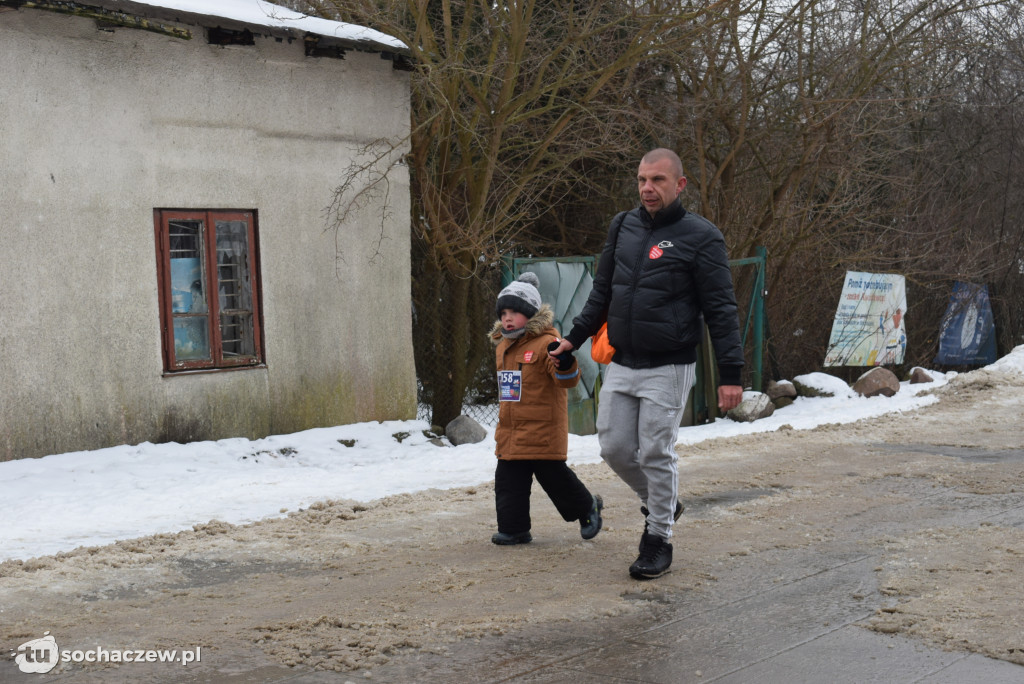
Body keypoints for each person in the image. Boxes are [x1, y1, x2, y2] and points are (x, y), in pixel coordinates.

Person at [548, 148, 744, 579]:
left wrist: (731, 374)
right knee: (614, 447)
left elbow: (721, 309)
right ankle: (665, 503)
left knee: (656, 451)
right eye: (641, 180)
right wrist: (573, 338)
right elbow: (602, 292)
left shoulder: (702, 236)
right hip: (623, 359)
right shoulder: (624, 225)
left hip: (669, 365)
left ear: (680, 184)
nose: (647, 188)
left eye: (657, 180)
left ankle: (658, 539)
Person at [489, 272, 603, 546]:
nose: (507, 317)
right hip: (512, 430)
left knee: (553, 477)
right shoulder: (503, 346)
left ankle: (587, 508)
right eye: (504, 312)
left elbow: (567, 380)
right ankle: (514, 528)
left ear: (530, 314)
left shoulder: (547, 343)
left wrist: (564, 363)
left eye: (515, 312)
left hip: (542, 428)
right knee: (507, 480)